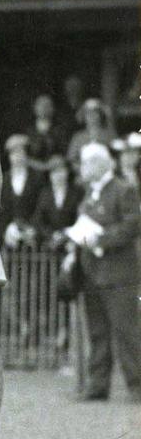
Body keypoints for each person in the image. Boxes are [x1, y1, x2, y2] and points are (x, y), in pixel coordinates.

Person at [71, 142, 141, 402]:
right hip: (93, 274)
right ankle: (98, 385)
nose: (83, 168)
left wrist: (100, 239)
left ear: (101, 164)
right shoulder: (91, 193)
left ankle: (136, 386)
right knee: (97, 332)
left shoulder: (125, 190)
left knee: (127, 331)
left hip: (120, 275)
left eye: (87, 163)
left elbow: (133, 225)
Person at [1, 133, 43, 249]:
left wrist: (32, 227)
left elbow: (40, 206)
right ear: (9, 157)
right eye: (13, 153)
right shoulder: (3, 180)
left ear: (26, 155)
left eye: (21, 152)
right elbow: (1, 208)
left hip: (32, 234)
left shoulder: (36, 179)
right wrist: (7, 227)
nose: (17, 157)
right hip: (9, 235)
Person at [67, 98, 113, 170]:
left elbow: (115, 156)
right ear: (84, 117)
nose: (92, 117)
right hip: (83, 175)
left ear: (100, 115)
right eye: (88, 114)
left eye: (95, 113)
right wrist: (83, 169)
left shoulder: (109, 135)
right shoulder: (78, 137)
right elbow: (71, 159)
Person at [25, 92, 68, 168]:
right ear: (35, 108)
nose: (44, 108)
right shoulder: (27, 131)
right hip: (32, 170)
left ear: (53, 108)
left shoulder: (60, 130)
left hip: (54, 170)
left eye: (47, 105)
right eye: (41, 105)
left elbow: (63, 154)